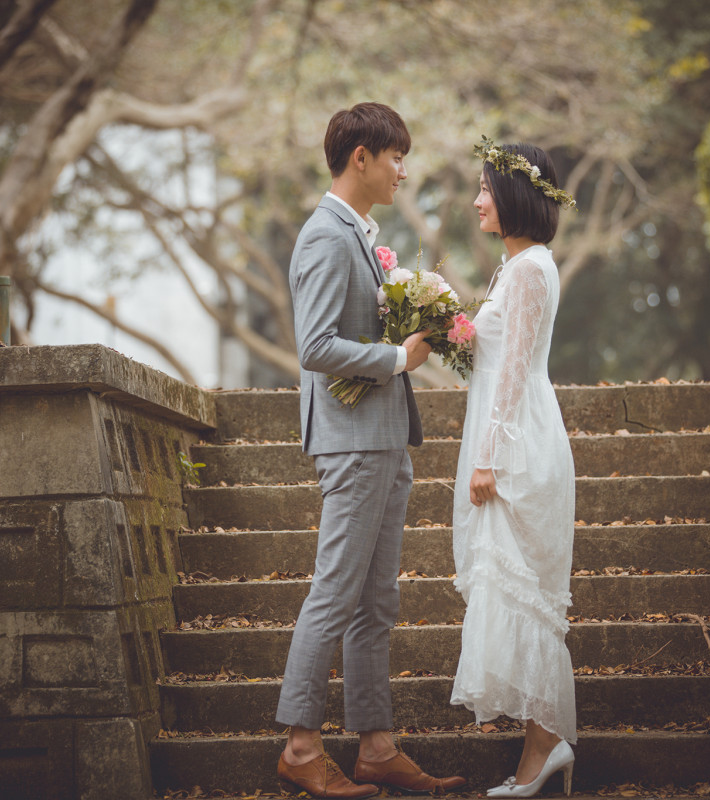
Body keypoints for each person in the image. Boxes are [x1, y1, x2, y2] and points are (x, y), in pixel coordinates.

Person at [275, 102, 467, 798]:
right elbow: (316, 347)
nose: (403, 171)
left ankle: (376, 745)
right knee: (335, 593)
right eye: (395, 158)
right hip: (353, 446)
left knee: (376, 603)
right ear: (362, 157)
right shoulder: (326, 235)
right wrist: (395, 357)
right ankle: (300, 745)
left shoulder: (356, 233)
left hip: (383, 441)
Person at [451, 139, 578, 797]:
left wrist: (488, 459)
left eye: (484, 189)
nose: (477, 201)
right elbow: (488, 359)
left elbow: (516, 374)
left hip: (521, 447)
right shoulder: (514, 268)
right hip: (512, 437)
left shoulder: (529, 270)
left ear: (513, 196)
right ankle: (543, 743)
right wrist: (447, 317)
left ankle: (546, 745)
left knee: (526, 596)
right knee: (517, 595)